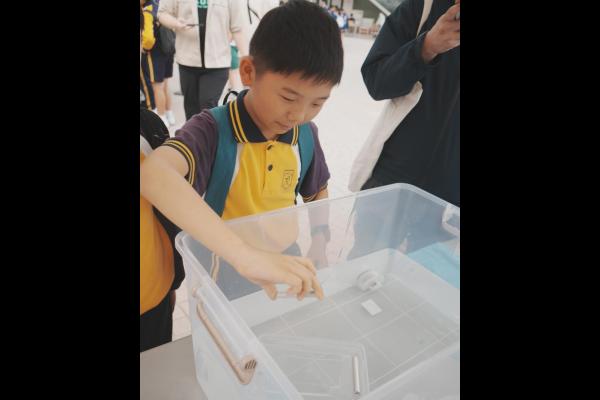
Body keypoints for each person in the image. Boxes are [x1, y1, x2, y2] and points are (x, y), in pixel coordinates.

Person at [141, 0, 344, 300]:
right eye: (288, 98)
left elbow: (317, 190)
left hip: (286, 259)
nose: (298, 115)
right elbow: (153, 175)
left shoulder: (305, 135)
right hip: (225, 265)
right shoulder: (211, 130)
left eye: (317, 103)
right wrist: (245, 256)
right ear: (248, 71)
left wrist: (319, 240)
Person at [349, 0, 460, 260]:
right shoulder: (423, 7)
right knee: (363, 271)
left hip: (449, 210)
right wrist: (426, 47)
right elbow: (376, 81)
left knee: (427, 281)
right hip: (391, 185)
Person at [158, 0, 249, 121]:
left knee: (208, 104)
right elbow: (162, 13)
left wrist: (246, 58)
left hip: (218, 62)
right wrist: (176, 23)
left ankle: (209, 132)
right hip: (187, 61)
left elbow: (237, 29)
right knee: (191, 108)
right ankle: (192, 133)